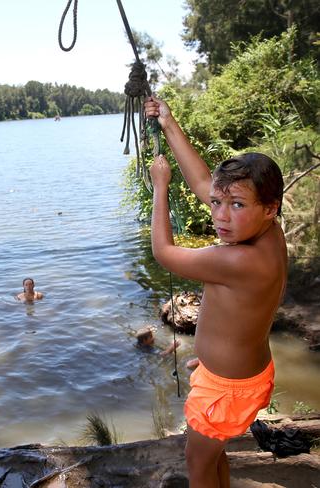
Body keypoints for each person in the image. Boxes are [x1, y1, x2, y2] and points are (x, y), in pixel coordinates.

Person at [145, 96, 286, 488]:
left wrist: (160, 187)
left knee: (198, 462)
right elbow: (204, 184)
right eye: (218, 203)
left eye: (236, 205)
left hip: (230, 387)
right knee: (212, 454)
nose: (221, 216)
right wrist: (169, 124)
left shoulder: (242, 262)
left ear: (269, 207)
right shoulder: (268, 231)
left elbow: (164, 253)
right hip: (235, 376)